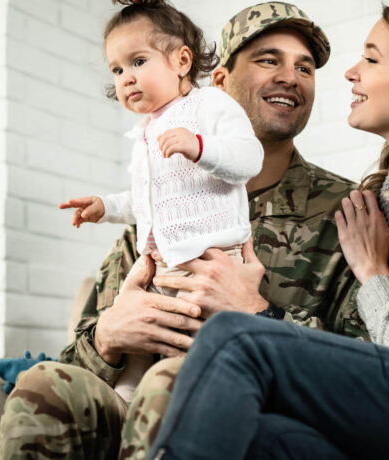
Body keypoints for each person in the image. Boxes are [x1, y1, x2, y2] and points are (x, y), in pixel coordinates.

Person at [147, 1, 389, 459]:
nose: (351, 73)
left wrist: (374, 276)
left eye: (372, 59)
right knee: (263, 436)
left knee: (235, 340)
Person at [0, 2, 367, 459]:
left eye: (304, 67)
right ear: (222, 83)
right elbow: (78, 355)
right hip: (132, 405)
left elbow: (370, 378)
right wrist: (109, 336)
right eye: (269, 59)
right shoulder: (155, 210)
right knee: (43, 385)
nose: (291, 76)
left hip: (256, 420)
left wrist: (259, 315)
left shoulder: (345, 211)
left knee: (174, 385)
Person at [59, 0, 264, 403]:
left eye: (137, 61)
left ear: (181, 60)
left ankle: (192, 396)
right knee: (138, 322)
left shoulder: (210, 106)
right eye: (117, 70)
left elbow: (249, 160)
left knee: (193, 342)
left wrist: (200, 146)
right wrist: (107, 207)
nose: (126, 78)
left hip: (212, 261)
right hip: (160, 262)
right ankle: (128, 397)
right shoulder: (148, 131)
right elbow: (149, 200)